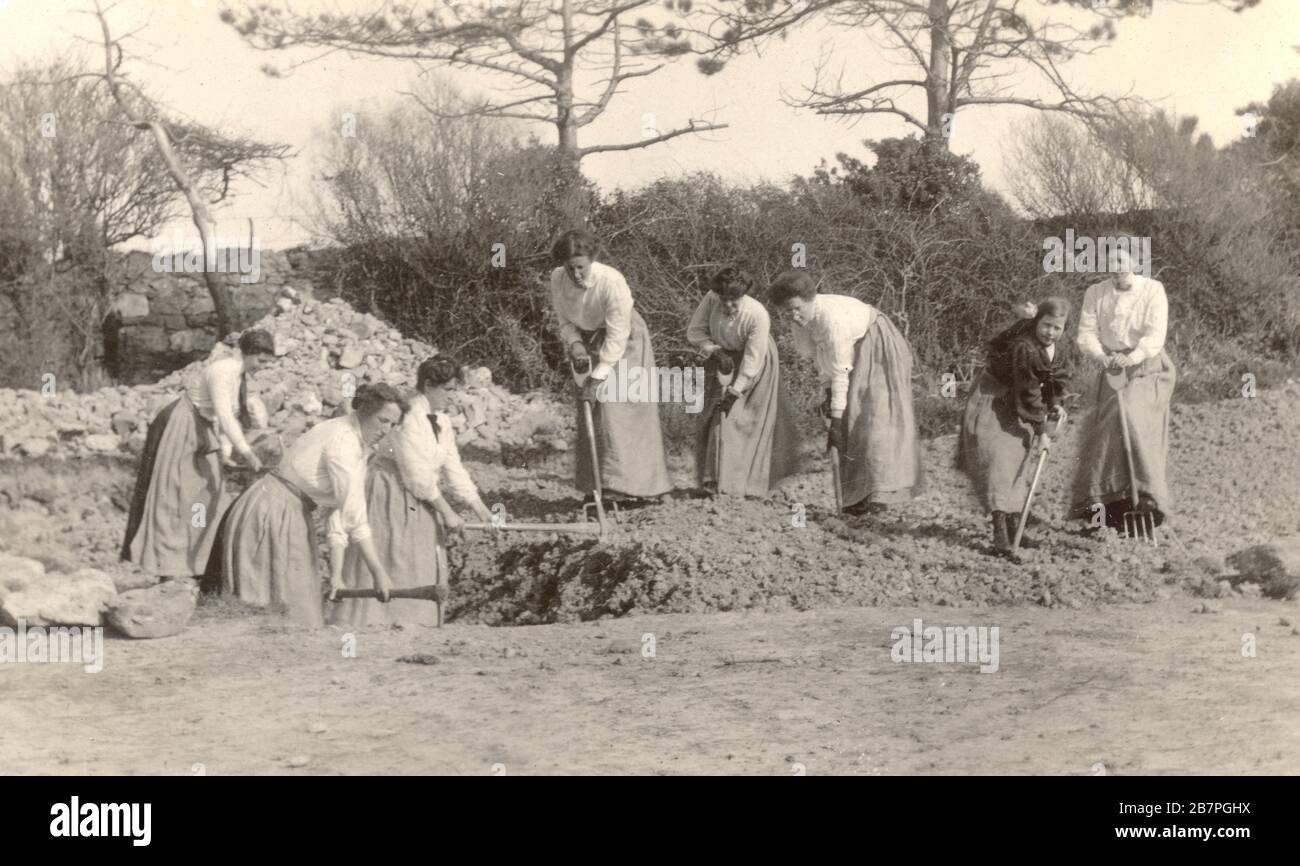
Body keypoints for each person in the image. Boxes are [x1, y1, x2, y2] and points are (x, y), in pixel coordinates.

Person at [204, 383, 403, 627]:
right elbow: (355, 518)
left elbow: (339, 514)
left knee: (290, 606)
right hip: (272, 512)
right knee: (270, 607)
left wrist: (337, 575)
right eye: (383, 420)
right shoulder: (343, 442)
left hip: (285, 509)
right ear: (365, 411)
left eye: (393, 424)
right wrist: (378, 573)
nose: (386, 430)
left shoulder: (354, 440)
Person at [328, 358, 493, 628]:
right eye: (448, 390)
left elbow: (452, 466)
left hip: (421, 499)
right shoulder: (409, 416)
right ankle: (378, 625)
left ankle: (415, 624)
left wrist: (480, 508)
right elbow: (418, 478)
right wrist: (449, 513)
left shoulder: (441, 419)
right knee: (395, 555)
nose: (453, 397)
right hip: (390, 494)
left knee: (418, 558)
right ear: (428, 385)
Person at [121, 329, 275, 577]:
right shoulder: (222, 371)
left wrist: (225, 452)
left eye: (268, 362)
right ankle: (164, 563)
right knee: (173, 495)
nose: (263, 367)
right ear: (247, 354)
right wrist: (247, 453)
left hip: (204, 427)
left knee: (209, 492)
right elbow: (224, 415)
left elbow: (224, 417)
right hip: (181, 425)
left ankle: (199, 560)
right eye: (261, 360)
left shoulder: (240, 377)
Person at [769, 271, 923, 514]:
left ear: (811, 298)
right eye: (786, 311)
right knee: (850, 420)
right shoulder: (801, 324)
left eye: (797, 308)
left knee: (871, 421)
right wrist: (830, 396)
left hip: (877, 342)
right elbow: (822, 363)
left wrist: (835, 422)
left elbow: (839, 370)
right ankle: (856, 499)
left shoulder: (832, 320)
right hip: (852, 350)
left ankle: (876, 498)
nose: (793, 316)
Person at [549, 228, 672, 504]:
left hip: (627, 340)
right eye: (570, 269)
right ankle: (601, 485)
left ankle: (638, 486)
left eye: (580, 267)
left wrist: (598, 377)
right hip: (590, 341)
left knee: (620, 408)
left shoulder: (611, 280)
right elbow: (565, 320)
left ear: (591, 259)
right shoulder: (557, 279)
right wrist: (575, 344)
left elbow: (617, 336)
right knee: (592, 410)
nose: (576, 275)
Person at [1069, 243, 1176, 529]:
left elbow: (1155, 336)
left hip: (1148, 367)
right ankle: (1110, 504)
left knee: (1130, 417)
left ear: (1135, 260)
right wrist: (1104, 357)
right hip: (1112, 367)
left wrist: (1132, 357)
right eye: (1108, 259)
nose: (1114, 264)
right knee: (1105, 427)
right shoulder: (1095, 293)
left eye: (1120, 258)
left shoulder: (1153, 290)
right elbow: (1086, 334)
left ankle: (1147, 497)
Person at [957, 298, 1070, 553]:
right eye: (1046, 325)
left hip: (1020, 402)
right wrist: (1042, 432)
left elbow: (1056, 379)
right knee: (998, 463)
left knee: (1018, 459)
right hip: (994, 400)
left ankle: (1013, 527)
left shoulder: (1058, 349)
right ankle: (1000, 536)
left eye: (1057, 328)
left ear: (1064, 330)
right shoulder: (1024, 347)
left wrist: (1055, 402)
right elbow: (1028, 391)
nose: (1050, 332)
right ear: (1036, 322)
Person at [687, 264, 799, 497]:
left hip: (754, 363)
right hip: (722, 359)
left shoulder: (756, 314)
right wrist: (715, 351)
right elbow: (695, 331)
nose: (727, 304)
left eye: (733, 300)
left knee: (743, 419)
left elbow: (752, 360)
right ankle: (715, 480)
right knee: (714, 416)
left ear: (744, 295)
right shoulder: (711, 299)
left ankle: (749, 484)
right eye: (723, 299)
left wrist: (735, 391)